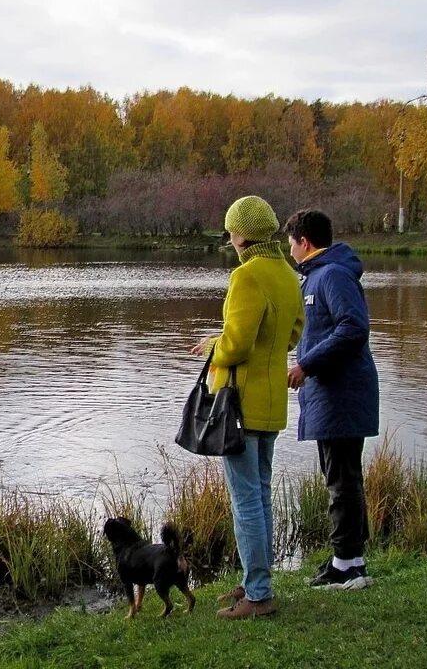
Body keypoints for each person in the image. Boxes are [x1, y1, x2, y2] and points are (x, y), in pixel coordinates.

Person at [190, 195, 304, 619]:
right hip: (271, 402)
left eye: (231, 230)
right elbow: (292, 334)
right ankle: (257, 581)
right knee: (261, 495)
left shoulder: (247, 276)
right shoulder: (287, 274)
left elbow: (236, 346)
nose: (229, 237)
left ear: (241, 234)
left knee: (246, 501)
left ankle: (258, 594)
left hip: (238, 406)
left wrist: (212, 345)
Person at [285, 209, 379, 590]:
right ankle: (349, 559)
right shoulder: (318, 276)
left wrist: (306, 365)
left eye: (290, 243)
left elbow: (353, 327)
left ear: (304, 242)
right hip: (330, 395)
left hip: (342, 395)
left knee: (341, 480)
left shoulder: (333, 275)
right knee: (339, 476)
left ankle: (348, 566)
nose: (289, 250)